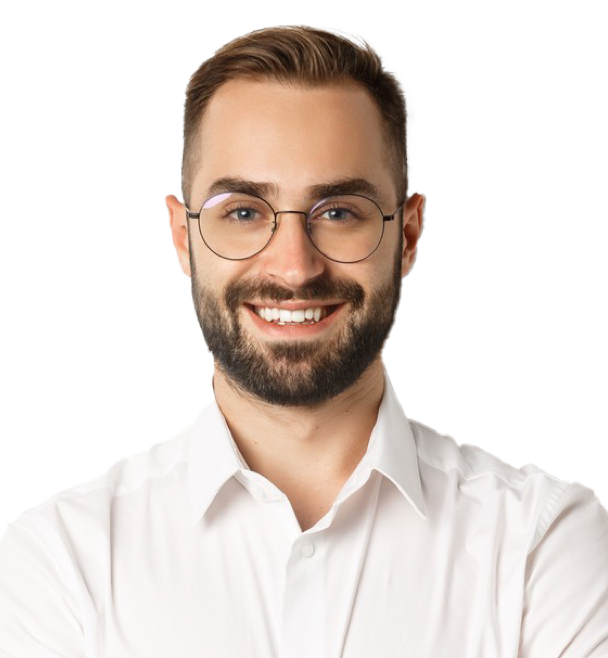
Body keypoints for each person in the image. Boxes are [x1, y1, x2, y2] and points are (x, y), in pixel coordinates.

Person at [1, 23, 607, 657]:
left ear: (408, 237)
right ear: (182, 237)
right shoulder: (61, 561)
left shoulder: (546, 545)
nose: (293, 268)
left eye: (339, 212)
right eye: (243, 211)